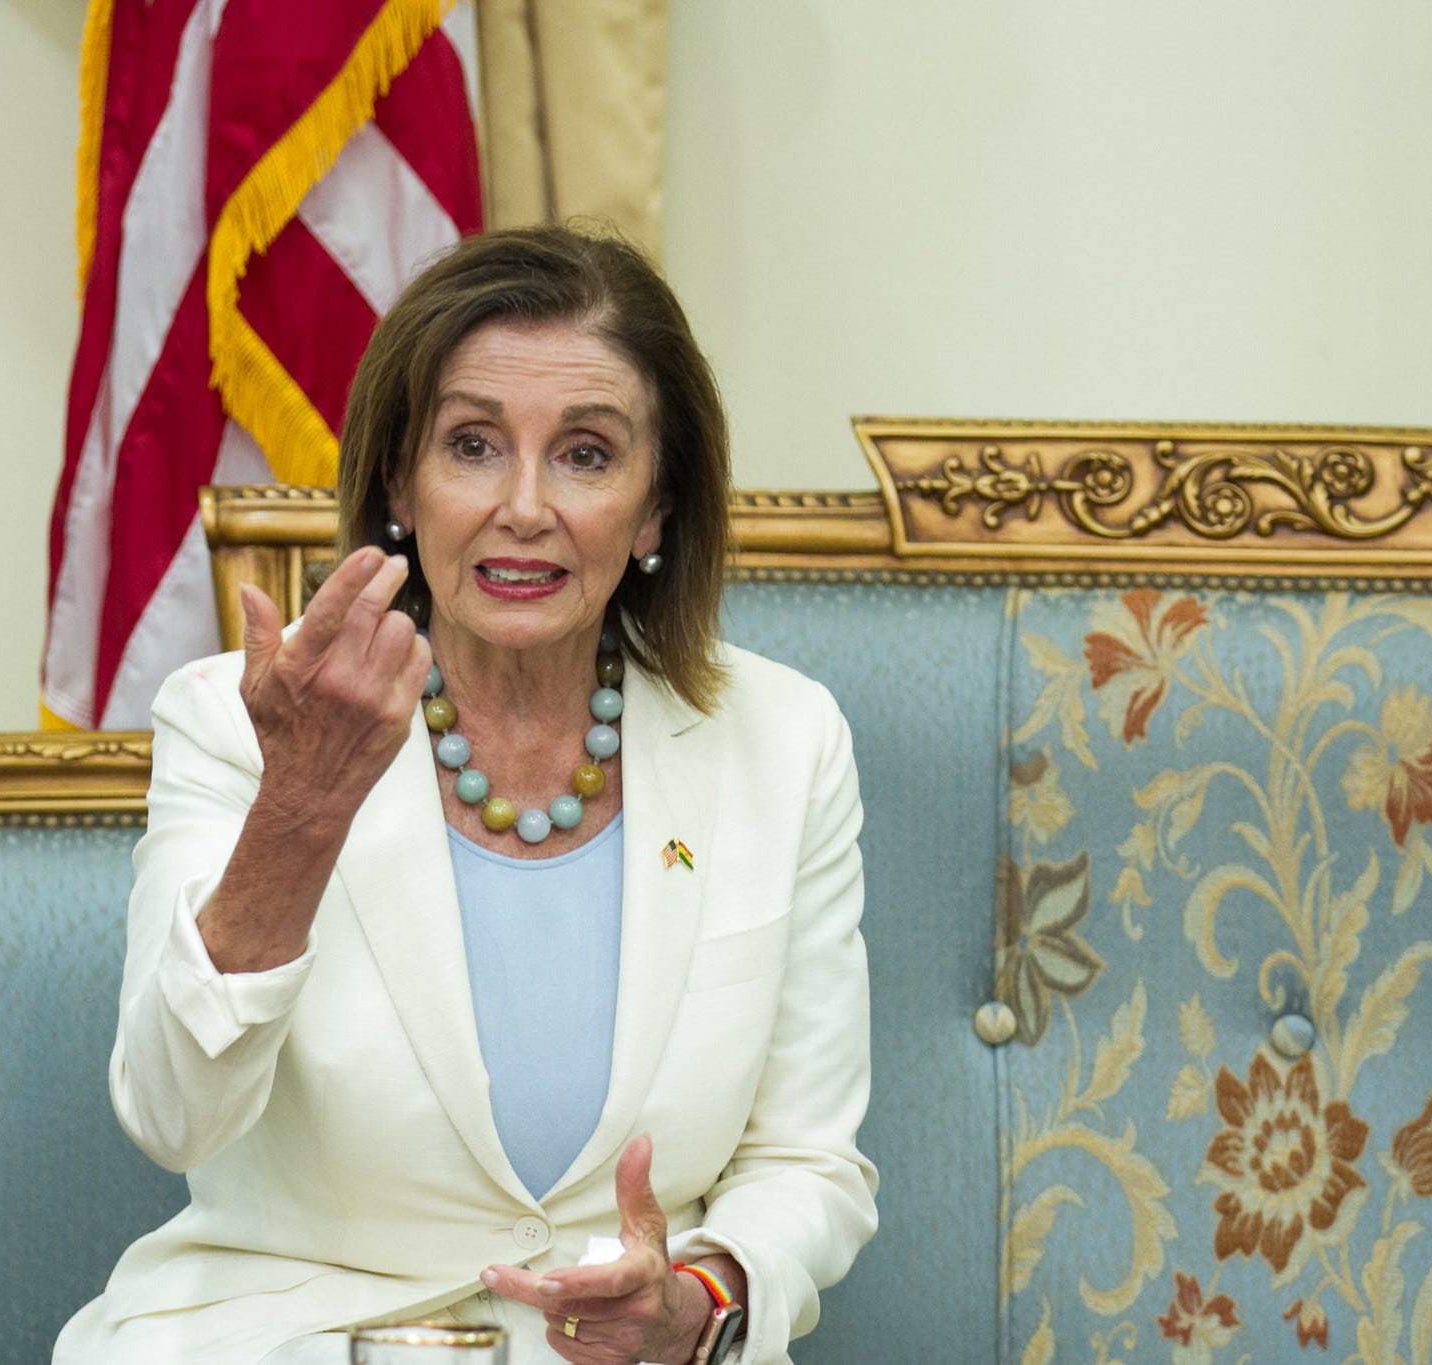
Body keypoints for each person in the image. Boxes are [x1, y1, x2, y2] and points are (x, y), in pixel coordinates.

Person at [54, 225, 877, 1365]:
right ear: (402, 481)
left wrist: (697, 1301)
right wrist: (300, 810)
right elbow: (172, 1114)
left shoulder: (784, 742)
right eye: (474, 445)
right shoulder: (235, 722)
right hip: (292, 1340)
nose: (524, 506)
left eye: (585, 454)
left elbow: (806, 1161)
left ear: (655, 509)